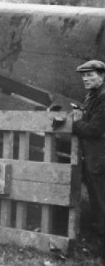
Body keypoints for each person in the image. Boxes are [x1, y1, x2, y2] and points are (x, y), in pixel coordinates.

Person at [71, 60, 105, 242]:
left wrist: (75, 122)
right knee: (96, 194)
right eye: (83, 76)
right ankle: (99, 229)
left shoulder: (103, 97)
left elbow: (94, 130)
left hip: (100, 156)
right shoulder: (93, 95)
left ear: (102, 76)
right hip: (93, 155)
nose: (85, 79)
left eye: (90, 75)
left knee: (101, 196)